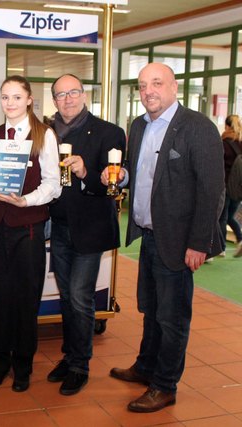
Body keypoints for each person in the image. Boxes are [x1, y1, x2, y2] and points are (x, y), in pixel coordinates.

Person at [107, 63, 224, 412]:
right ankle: (146, 366)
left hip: (180, 239)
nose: (148, 92)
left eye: (156, 83)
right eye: (143, 86)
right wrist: (121, 176)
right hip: (149, 234)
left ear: (174, 87)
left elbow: (211, 190)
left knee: (172, 318)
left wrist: (199, 242)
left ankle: (165, 385)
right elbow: (139, 171)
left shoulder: (198, 127)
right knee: (151, 309)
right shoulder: (139, 126)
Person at [0, 76, 61, 392]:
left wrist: (26, 200)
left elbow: (53, 183)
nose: (10, 103)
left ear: (29, 100)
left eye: (16, 97)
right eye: (4, 97)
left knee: (23, 299)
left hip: (27, 227)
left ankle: (22, 367)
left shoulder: (44, 135)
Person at [46, 74, 126, 395]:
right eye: (61, 95)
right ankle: (70, 355)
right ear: (54, 101)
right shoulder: (48, 133)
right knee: (67, 297)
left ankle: (80, 365)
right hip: (60, 227)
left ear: (84, 94)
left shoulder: (109, 132)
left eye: (73, 92)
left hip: (90, 230)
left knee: (80, 297)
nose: (68, 99)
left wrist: (84, 173)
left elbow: (111, 184)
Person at [219, 114, 242, 257]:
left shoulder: (224, 142)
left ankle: (221, 248)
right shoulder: (241, 142)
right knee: (230, 216)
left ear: (227, 126)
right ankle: (240, 238)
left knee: (222, 216)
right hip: (239, 186)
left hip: (226, 184)